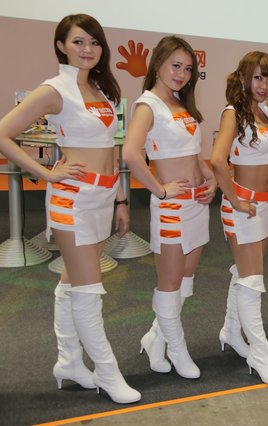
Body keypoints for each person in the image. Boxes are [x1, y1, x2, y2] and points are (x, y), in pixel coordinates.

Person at [0, 14, 140, 403]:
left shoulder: (101, 88)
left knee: (72, 283)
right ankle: (108, 373)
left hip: (102, 197)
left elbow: (110, 149)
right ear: (61, 46)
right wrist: (45, 172)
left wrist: (121, 199)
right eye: (78, 42)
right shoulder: (54, 90)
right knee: (89, 290)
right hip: (73, 200)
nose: (87, 49)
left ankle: (69, 363)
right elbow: (3, 133)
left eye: (94, 42)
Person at [123, 36, 216, 379]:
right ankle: (178, 349)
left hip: (197, 205)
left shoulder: (180, 102)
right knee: (169, 283)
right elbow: (130, 153)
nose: (181, 74)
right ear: (158, 64)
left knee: (185, 282)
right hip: (172, 209)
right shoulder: (148, 105)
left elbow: (192, 155)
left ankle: (156, 339)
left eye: (188, 69)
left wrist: (211, 178)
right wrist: (160, 190)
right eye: (175, 65)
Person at [211, 51, 268, 385]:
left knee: (245, 275)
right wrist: (235, 200)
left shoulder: (267, 112)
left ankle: (231, 331)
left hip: (265, 206)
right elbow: (217, 161)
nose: (263, 85)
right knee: (253, 281)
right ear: (243, 77)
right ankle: (260, 353)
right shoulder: (233, 113)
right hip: (242, 208)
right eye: (257, 77)